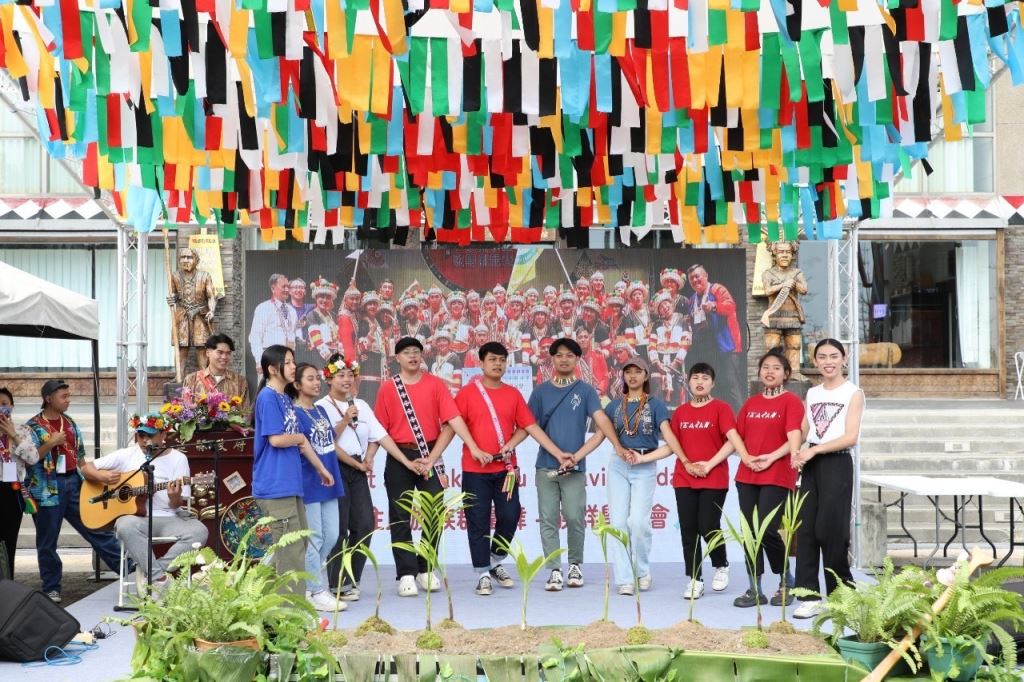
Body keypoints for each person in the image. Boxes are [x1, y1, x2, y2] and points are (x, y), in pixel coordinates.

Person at [445, 342, 566, 596]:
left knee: (510, 515)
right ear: (481, 363)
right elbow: (453, 426)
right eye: (492, 359)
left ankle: (494, 560)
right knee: (477, 520)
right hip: (475, 470)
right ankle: (482, 574)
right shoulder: (467, 394)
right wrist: (471, 449)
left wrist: (554, 452)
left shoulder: (513, 394)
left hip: (506, 470)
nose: (498, 364)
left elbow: (529, 427)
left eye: (502, 360)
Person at [373, 337, 491, 597]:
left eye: (417, 351)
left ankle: (425, 567)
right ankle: (406, 573)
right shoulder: (388, 388)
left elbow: (453, 420)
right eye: (407, 352)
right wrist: (369, 458)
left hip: (430, 453)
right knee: (400, 514)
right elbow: (379, 430)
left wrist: (471, 446)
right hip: (399, 456)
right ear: (397, 358)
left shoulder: (436, 384)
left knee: (434, 512)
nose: (413, 356)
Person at [526, 337, 624, 592]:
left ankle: (575, 565)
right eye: (559, 355)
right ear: (552, 359)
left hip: (575, 468)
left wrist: (579, 456)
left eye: (570, 355)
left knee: (574, 517)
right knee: (548, 519)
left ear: (578, 359)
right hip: (546, 466)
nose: (564, 359)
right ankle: (554, 570)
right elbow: (530, 427)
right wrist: (557, 454)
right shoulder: (540, 392)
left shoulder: (586, 391)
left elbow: (601, 423)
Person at [579, 358, 680, 595]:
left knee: (638, 522)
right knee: (618, 523)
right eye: (628, 372)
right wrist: (576, 456)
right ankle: (625, 578)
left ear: (646, 376)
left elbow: (668, 436)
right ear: (623, 376)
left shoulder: (656, 405)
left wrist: (683, 458)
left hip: (645, 464)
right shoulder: (614, 406)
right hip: (619, 464)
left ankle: (642, 571)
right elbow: (599, 436)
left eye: (638, 372)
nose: (632, 376)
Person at [80, 414, 208, 594]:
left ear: (163, 435)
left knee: (199, 531)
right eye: (141, 435)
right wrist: (103, 476)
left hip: (168, 518)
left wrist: (174, 496)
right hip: (137, 519)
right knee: (124, 526)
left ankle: (154, 573)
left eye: (150, 435)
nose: (144, 440)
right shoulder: (126, 455)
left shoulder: (178, 458)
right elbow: (86, 468)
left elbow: (175, 504)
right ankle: (159, 578)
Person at [317, 356, 407, 600]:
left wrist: (369, 458)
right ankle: (338, 584)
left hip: (358, 468)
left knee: (365, 525)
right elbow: (327, 442)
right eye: (340, 375)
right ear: (329, 379)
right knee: (338, 529)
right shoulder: (321, 406)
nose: (347, 380)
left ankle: (352, 578)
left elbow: (378, 435)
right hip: (335, 468)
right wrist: (345, 420)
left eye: (350, 375)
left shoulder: (362, 405)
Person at [24, 380, 122, 602]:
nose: (68, 400)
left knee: (96, 528)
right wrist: (50, 443)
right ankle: (51, 587)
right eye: (64, 396)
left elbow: (81, 460)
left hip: (73, 483)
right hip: (47, 489)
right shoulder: (32, 427)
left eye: (69, 396)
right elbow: (28, 459)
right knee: (47, 541)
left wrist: (100, 477)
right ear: (49, 398)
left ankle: (129, 571)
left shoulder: (70, 423)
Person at [792, 339, 865, 620]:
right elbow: (804, 428)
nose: (828, 362)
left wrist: (815, 450)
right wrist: (797, 450)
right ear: (815, 361)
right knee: (807, 530)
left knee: (832, 530)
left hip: (837, 463)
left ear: (844, 358)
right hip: (812, 465)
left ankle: (841, 595)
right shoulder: (812, 393)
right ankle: (808, 595)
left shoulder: (853, 393)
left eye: (834, 356)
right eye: (822, 357)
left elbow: (850, 436)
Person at [252, 346, 335, 596]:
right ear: (272, 369)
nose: (292, 367)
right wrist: (299, 437)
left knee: (297, 543)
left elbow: (301, 441)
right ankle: (288, 608)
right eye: (287, 362)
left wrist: (320, 468)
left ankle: (260, 597)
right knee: (290, 549)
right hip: (275, 484)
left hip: (291, 483)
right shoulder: (267, 397)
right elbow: (277, 439)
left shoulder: (285, 399)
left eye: (293, 362)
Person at [669, 363, 750, 599]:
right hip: (684, 477)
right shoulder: (681, 412)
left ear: (713, 383)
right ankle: (694, 579)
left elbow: (732, 440)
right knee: (688, 530)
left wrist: (709, 464)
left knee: (708, 525)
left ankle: (721, 564)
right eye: (695, 378)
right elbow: (672, 446)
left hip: (713, 477)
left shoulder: (721, 408)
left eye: (705, 378)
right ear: (688, 381)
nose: (700, 382)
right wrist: (642, 458)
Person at [732, 348, 803, 608]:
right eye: (765, 367)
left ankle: (786, 581)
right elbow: (737, 437)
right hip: (747, 474)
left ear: (786, 374)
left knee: (767, 529)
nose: (770, 371)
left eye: (776, 368)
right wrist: (743, 457)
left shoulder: (792, 402)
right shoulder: (751, 403)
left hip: (776, 473)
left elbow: (795, 436)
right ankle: (755, 589)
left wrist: (771, 457)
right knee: (749, 532)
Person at [288, 363, 347, 612]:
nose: (316, 383)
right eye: (310, 379)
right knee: (314, 537)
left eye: (317, 378)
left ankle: (308, 583)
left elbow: (329, 437)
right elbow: (301, 447)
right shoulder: (293, 413)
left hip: (329, 478)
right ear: (297, 384)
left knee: (332, 535)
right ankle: (315, 589)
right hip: (310, 480)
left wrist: (345, 420)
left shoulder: (320, 409)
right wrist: (319, 469)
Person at [685, 264, 744, 410]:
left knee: (731, 384)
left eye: (697, 276)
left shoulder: (717, 289)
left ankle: (740, 418)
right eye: (691, 278)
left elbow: (731, 306)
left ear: (706, 276)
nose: (695, 280)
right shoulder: (692, 300)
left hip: (726, 346)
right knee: (712, 385)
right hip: (707, 349)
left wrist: (714, 306)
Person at [0, 388, 39, 579]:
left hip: (12, 490)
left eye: (4, 404)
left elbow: (33, 458)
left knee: (9, 540)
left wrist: (13, 435)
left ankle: (7, 583)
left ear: (12, 406)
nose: (1, 408)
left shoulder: (23, 431)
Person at [166, 247, 218, 372]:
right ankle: (179, 376)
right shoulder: (175, 276)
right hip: (182, 314)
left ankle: (204, 376)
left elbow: (211, 296)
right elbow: (174, 294)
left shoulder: (204, 276)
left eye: (189, 257)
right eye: (183, 257)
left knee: (201, 346)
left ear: (196, 260)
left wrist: (211, 311)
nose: (185, 260)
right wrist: (172, 298)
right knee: (182, 346)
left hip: (200, 314)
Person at [181, 334, 250, 411]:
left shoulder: (240, 381)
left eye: (228, 353)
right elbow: (185, 411)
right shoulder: (191, 380)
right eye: (220, 352)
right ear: (207, 353)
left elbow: (246, 413)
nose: (224, 357)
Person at [249, 274, 299, 371]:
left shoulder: (292, 311)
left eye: (288, 286)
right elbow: (255, 337)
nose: (287, 290)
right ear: (273, 288)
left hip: (288, 359)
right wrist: (259, 360)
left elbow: (292, 333)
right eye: (283, 286)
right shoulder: (264, 308)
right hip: (270, 359)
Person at [300, 277, 341, 360]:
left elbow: (338, 337)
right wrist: (333, 361)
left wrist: (340, 358)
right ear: (316, 298)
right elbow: (318, 342)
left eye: (328, 297)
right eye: (321, 297)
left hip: (336, 355)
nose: (324, 300)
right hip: (320, 357)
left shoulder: (333, 315)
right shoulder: (312, 315)